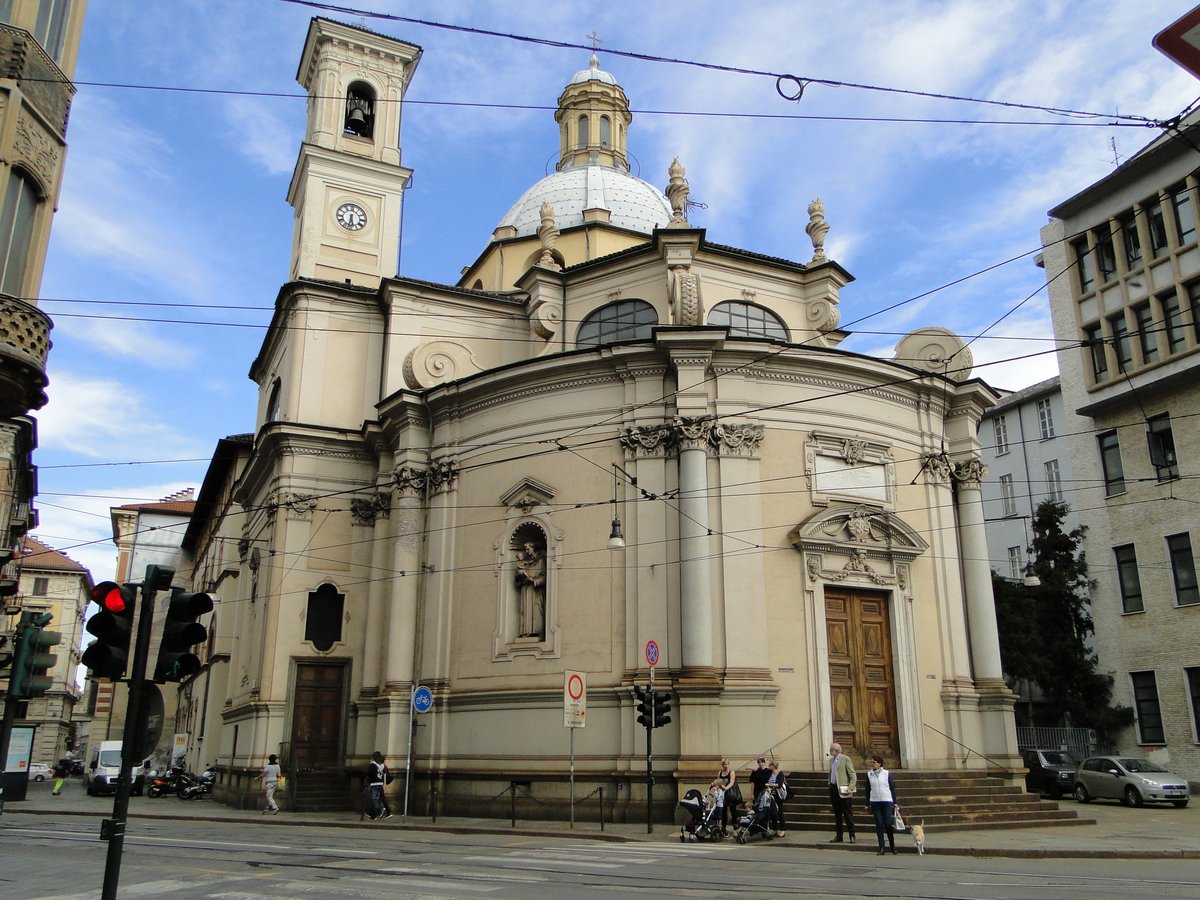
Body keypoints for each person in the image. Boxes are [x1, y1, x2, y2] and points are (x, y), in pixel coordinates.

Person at [866, 753, 898, 855]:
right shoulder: (869, 774)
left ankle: (892, 845)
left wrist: (895, 802)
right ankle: (881, 847)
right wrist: (867, 803)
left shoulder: (886, 773)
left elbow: (892, 788)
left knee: (888, 824)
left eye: (874, 762)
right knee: (879, 824)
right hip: (875, 802)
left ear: (879, 763)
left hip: (887, 801)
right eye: (871, 762)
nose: (872, 764)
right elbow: (867, 790)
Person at [827, 741, 857, 843]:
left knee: (848, 814)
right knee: (837, 814)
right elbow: (831, 773)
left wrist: (851, 787)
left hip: (844, 790)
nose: (830, 751)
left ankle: (852, 835)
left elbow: (852, 774)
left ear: (836, 750)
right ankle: (839, 835)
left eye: (831, 750)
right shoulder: (831, 760)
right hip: (834, 789)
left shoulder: (845, 759)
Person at [365, 750, 392, 821]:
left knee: (373, 799)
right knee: (377, 799)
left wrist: (367, 780)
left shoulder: (373, 765)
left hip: (374, 784)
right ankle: (373, 814)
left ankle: (381, 810)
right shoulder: (382, 766)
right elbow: (384, 775)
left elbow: (369, 774)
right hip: (380, 783)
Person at [716, 758, 740, 834]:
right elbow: (718, 781)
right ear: (722, 765)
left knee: (733, 811)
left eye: (727, 764)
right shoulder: (720, 772)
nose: (726, 766)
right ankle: (723, 828)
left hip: (731, 793)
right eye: (724, 764)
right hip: (723, 794)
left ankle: (735, 828)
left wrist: (725, 788)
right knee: (723, 811)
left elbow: (732, 782)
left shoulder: (731, 772)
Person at [766, 760, 789, 838]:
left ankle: (783, 830)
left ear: (773, 765)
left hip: (778, 795)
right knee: (773, 812)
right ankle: (775, 829)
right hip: (771, 795)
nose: (768, 766)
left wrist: (770, 784)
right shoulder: (770, 773)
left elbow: (779, 784)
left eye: (770, 764)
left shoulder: (780, 773)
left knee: (780, 812)